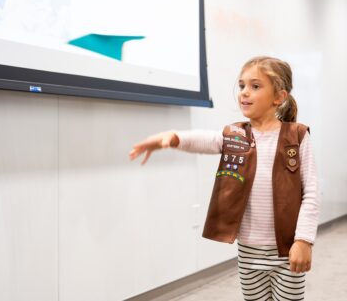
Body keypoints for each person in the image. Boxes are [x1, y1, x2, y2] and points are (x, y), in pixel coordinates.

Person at [129, 56, 320, 301]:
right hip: (249, 249)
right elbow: (205, 139)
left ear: (279, 97)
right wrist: (172, 137)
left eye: (255, 86)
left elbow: (311, 193)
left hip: (286, 248)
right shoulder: (236, 135)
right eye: (241, 86)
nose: (244, 93)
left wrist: (303, 240)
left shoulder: (297, 136)